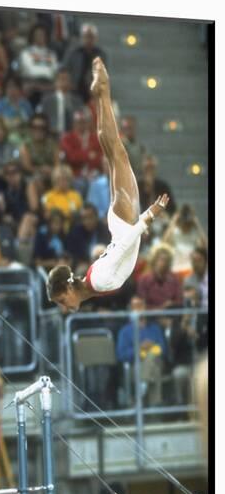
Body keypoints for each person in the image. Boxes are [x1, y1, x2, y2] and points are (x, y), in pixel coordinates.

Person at [46, 58, 170, 313]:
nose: (64, 307)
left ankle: (103, 90)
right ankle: (100, 94)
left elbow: (125, 243)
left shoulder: (99, 281)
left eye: (61, 301)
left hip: (125, 221)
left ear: (69, 289)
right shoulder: (91, 284)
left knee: (116, 151)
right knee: (112, 151)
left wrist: (150, 215)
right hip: (119, 222)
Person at [116, 296, 167, 406]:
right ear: (130, 309)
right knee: (154, 369)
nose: (139, 309)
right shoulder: (125, 331)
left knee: (152, 357)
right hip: (135, 365)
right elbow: (121, 355)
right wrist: (139, 349)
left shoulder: (154, 328)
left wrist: (152, 346)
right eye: (136, 306)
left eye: (141, 305)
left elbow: (163, 348)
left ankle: (141, 390)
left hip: (157, 362)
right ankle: (155, 407)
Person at [60, 109, 103, 195]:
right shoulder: (67, 138)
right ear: (74, 123)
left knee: (101, 184)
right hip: (75, 175)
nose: (81, 125)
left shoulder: (95, 138)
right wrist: (88, 155)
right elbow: (71, 157)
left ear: (88, 123)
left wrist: (80, 154)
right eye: (79, 122)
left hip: (94, 174)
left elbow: (99, 158)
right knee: (80, 184)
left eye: (84, 122)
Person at [63, 23, 107, 102]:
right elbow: (65, 69)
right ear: (82, 37)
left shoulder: (101, 54)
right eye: (86, 36)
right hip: (74, 88)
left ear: (96, 38)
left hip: (92, 89)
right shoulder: (73, 52)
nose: (89, 39)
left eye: (91, 37)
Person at [18, 23, 59, 107]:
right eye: (37, 34)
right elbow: (25, 72)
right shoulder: (26, 53)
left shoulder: (51, 54)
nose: (40, 37)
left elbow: (54, 73)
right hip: (32, 87)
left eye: (42, 34)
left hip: (48, 87)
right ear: (32, 36)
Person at [162, 204, 208, 278]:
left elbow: (205, 246)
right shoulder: (175, 232)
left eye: (188, 223)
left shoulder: (194, 233)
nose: (186, 225)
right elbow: (164, 243)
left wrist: (197, 224)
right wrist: (173, 221)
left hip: (191, 271)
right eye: (184, 223)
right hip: (176, 269)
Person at [0, 74, 33, 146]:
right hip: (5, 137)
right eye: (9, 87)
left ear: (20, 89)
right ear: (5, 89)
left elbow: (31, 123)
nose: (12, 90)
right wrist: (10, 123)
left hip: (24, 136)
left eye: (15, 86)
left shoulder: (26, 104)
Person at [65, 203, 111, 270]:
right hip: (84, 264)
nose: (87, 221)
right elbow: (73, 254)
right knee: (81, 270)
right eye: (84, 218)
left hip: (103, 264)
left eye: (90, 217)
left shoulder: (105, 230)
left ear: (96, 216)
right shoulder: (76, 232)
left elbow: (108, 251)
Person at [39, 68, 84, 136]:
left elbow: (81, 120)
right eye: (62, 79)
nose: (64, 82)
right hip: (53, 136)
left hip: (73, 137)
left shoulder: (77, 101)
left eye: (67, 79)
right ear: (55, 82)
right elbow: (42, 120)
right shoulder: (47, 101)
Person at [137, 243, 183, 309]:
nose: (163, 263)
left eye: (167, 260)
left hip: (170, 316)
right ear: (154, 260)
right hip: (150, 317)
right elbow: (142, 305)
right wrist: (161, 308)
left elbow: (179, 302)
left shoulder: (175, 279)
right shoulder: (144, 279)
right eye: (161, 259)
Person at [42, 164, 83, 231]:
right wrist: (66, 215)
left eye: (65, 179)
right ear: (54, 180)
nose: (62, 182)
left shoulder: (76, 196)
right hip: (54, 227)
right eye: (59, 179)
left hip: (73, 226)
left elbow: (79, 213)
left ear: (70, 181)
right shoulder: (47, 196)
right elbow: (48, 214)